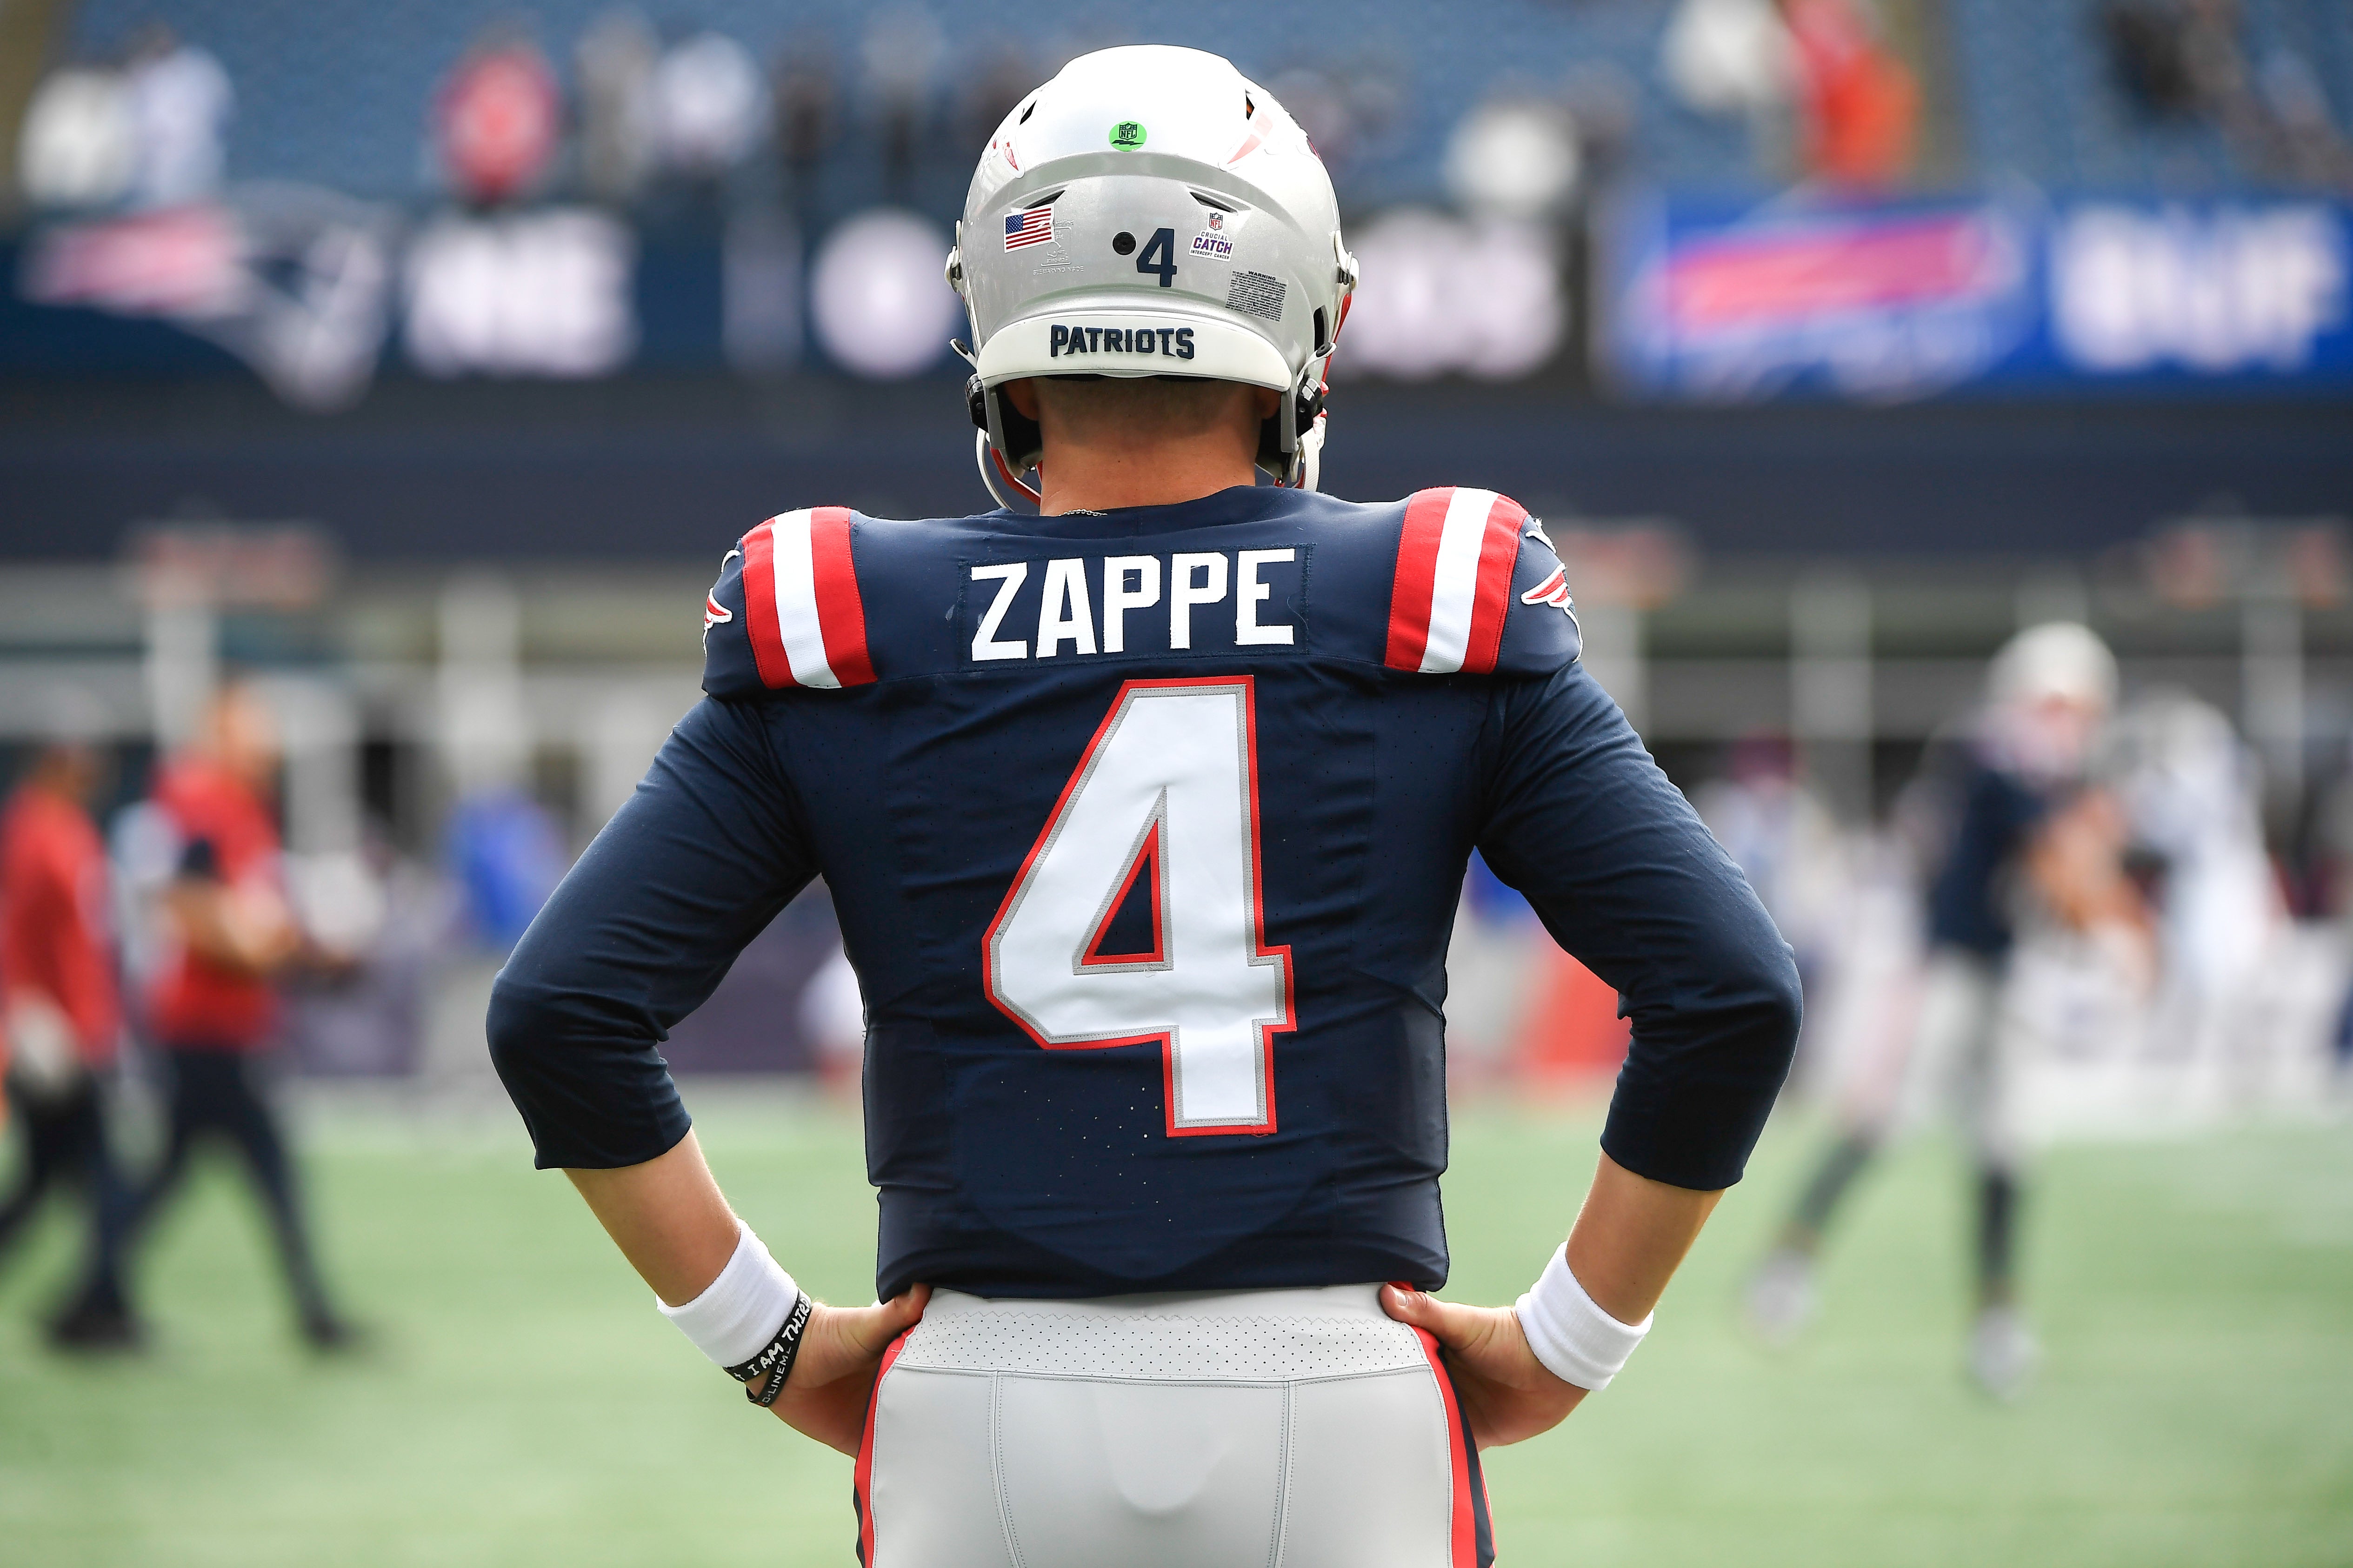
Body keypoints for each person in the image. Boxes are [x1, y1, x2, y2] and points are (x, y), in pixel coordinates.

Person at [489, 47, 1800, 1565]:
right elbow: (1730, 993)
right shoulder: (1431, 592)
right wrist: (1568, 1344)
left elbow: (562, 1014)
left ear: (1000, 326)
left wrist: (771, 1343)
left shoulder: (842, 612)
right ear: (1301, 319)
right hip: (1339, 1401)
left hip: (975, 1401)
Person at [1745, 622, 2138, 1399]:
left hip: (2009, 972)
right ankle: (1786, 1267)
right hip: (1946, 971)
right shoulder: (1998, 759)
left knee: (2007, 1146)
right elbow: (2063, 870)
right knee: (1883, 1122)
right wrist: (2125, 933)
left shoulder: (2045, 770)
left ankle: (1996, 1322)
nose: (2074, 722)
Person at [125, 681, 353, 1348]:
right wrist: (281, 956)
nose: (266, 742)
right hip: (205, 1025)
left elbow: (251, 911)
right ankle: (316, 1314)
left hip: (229, 1023)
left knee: (174, 1174)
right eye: (251, 727)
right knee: (266, 1169)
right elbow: (190, 909)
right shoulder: (197, 801)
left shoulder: (241, 806)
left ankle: (96, 1294)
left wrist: (304, 951)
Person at [0, 719, 141, 1348]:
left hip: (84, 1025)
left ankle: (100, 1304)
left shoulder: (69, 828)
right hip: (56, 1034)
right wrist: (37, 1017)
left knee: (47, 1184)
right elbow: (22, 937)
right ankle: (100, 1309)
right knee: (105, 1180)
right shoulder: (34, 833)